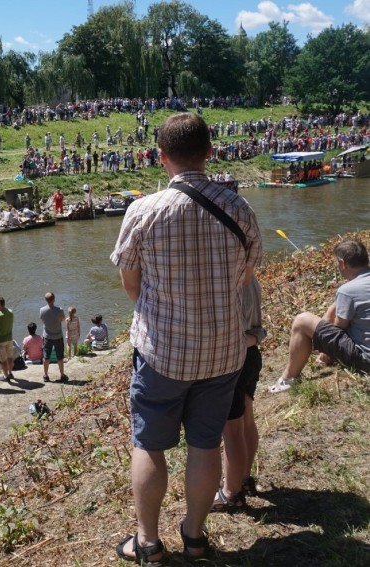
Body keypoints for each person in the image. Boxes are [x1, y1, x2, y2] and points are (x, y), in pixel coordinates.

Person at [110, 112, 262, 564]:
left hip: (161, 353)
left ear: (161, 158)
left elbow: (130, 283)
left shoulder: (144, 210)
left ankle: (149, 543)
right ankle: (195, 537)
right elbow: (245, 277)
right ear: (211, 152)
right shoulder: (240, 208)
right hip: (223, 351)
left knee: (149, 444)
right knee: (205, 443)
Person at [268, 239, 370, 393]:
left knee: (302, 320)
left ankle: (288, 379)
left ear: (343, 263)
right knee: (335, 306)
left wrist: (327, 350)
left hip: (364, 361)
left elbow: (339, 328)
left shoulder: (347, 291)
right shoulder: (351, 289)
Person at [212, 275, 266, 512]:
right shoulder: (251, 277)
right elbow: (256, 326)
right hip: (252, 354)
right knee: (246, 419)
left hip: (232, 358)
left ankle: (230, 493)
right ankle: (244, 477)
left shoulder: (228, 280)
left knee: (230, 429)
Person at [40, 292, 67, 382]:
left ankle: (46, 375)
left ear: (46, 300)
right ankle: (62, 375)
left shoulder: (42, 310)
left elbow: (42, 319)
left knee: (46, 356)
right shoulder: (59, 310)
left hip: (47, 336)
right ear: (54, 299)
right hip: (58, 336)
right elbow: (63, 319)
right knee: (60, 356)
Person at [0, 297, 16, 382]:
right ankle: (10, 373)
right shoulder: (11, 312)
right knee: (10, 357)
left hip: (0, 340)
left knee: (3, 360)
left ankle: (6, 376)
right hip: (9, 338)